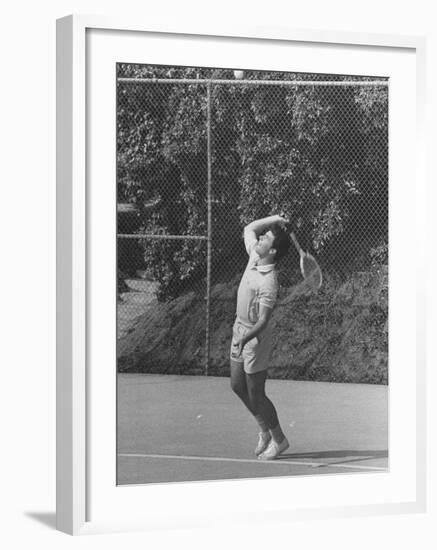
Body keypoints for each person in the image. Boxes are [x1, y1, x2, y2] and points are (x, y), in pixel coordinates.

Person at [230, 214, 291, 460]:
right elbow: (249, 227)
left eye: (266, 238)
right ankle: (264, 429)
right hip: (239, 329)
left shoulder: (269, 281)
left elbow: (263, 321)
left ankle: (280, 440)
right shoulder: (254, 255)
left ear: (273, 250)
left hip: (256, 338)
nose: (260, 237)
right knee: (237, 385)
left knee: (257, 393)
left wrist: (246, 339)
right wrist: (276, 218)